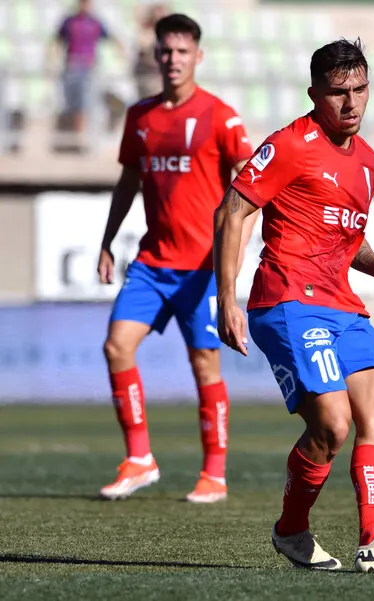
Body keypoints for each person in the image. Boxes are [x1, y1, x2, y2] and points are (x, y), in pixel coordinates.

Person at [213, 38, 374, 573]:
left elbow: (346, 238)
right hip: (288, 300)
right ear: (314, 94)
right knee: (333, 424)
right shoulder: (290, 145)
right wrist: (226, 297)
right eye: (339, 92)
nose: (351, 102)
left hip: (343, 305)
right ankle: (291, 530)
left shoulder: (369, 163)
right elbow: (232, 211)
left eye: (360, 89)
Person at [96, 13, 256, 504]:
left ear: (197, 56)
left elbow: (252, 192)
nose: (173, 59)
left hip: (202, 268)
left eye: (182, 51)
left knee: (205, 364)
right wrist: (107, 240)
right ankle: (139, 458)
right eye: (165, 51)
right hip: (152, 262)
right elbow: (128, 181)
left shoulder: (220, 116)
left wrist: (233, 258)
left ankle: (215, 474)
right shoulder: (140, 116)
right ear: (155, 55)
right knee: (116, 347)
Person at [50, 0, 126, 144]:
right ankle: (77, 137)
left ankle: (81, 138)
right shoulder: (69, 22)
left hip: (88, 68)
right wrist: (52, 59)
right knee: (73, 104)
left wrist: (121, 54)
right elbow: (57, 41)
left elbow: (112, 38)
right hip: (72, 66)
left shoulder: (95, 23)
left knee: (84, 104)